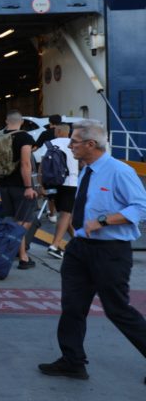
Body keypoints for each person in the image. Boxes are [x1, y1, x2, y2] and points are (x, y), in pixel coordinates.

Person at [38, 120, 146, 383]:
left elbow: (140, 207)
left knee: (117, 309)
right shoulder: (86, 170)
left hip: (110, 251)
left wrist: (105, 221)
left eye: (74, 142)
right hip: (80, 249)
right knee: (72, 306)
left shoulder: (119, 171)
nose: (70, 145)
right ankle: (72, 361)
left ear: (90, 144)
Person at [0, 111, 37, 269]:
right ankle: (22, 257)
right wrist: (28, 187)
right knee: (24, 220)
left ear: (7, 121)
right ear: (22, 122)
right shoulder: (24, 137)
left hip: (3, 183)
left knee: (12, 218)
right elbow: (25, 163)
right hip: (20, 185)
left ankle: (15, 251)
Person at [44, 124, 79, 259]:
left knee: (64, 215)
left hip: (53, 183)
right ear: (68, 132)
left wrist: (42, 186)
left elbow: (42, 166)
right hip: (70, 182)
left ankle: (79, 242)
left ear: (58, 131)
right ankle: (54, 246)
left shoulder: (49, 144)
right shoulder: (75, 144)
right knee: (66, 214)